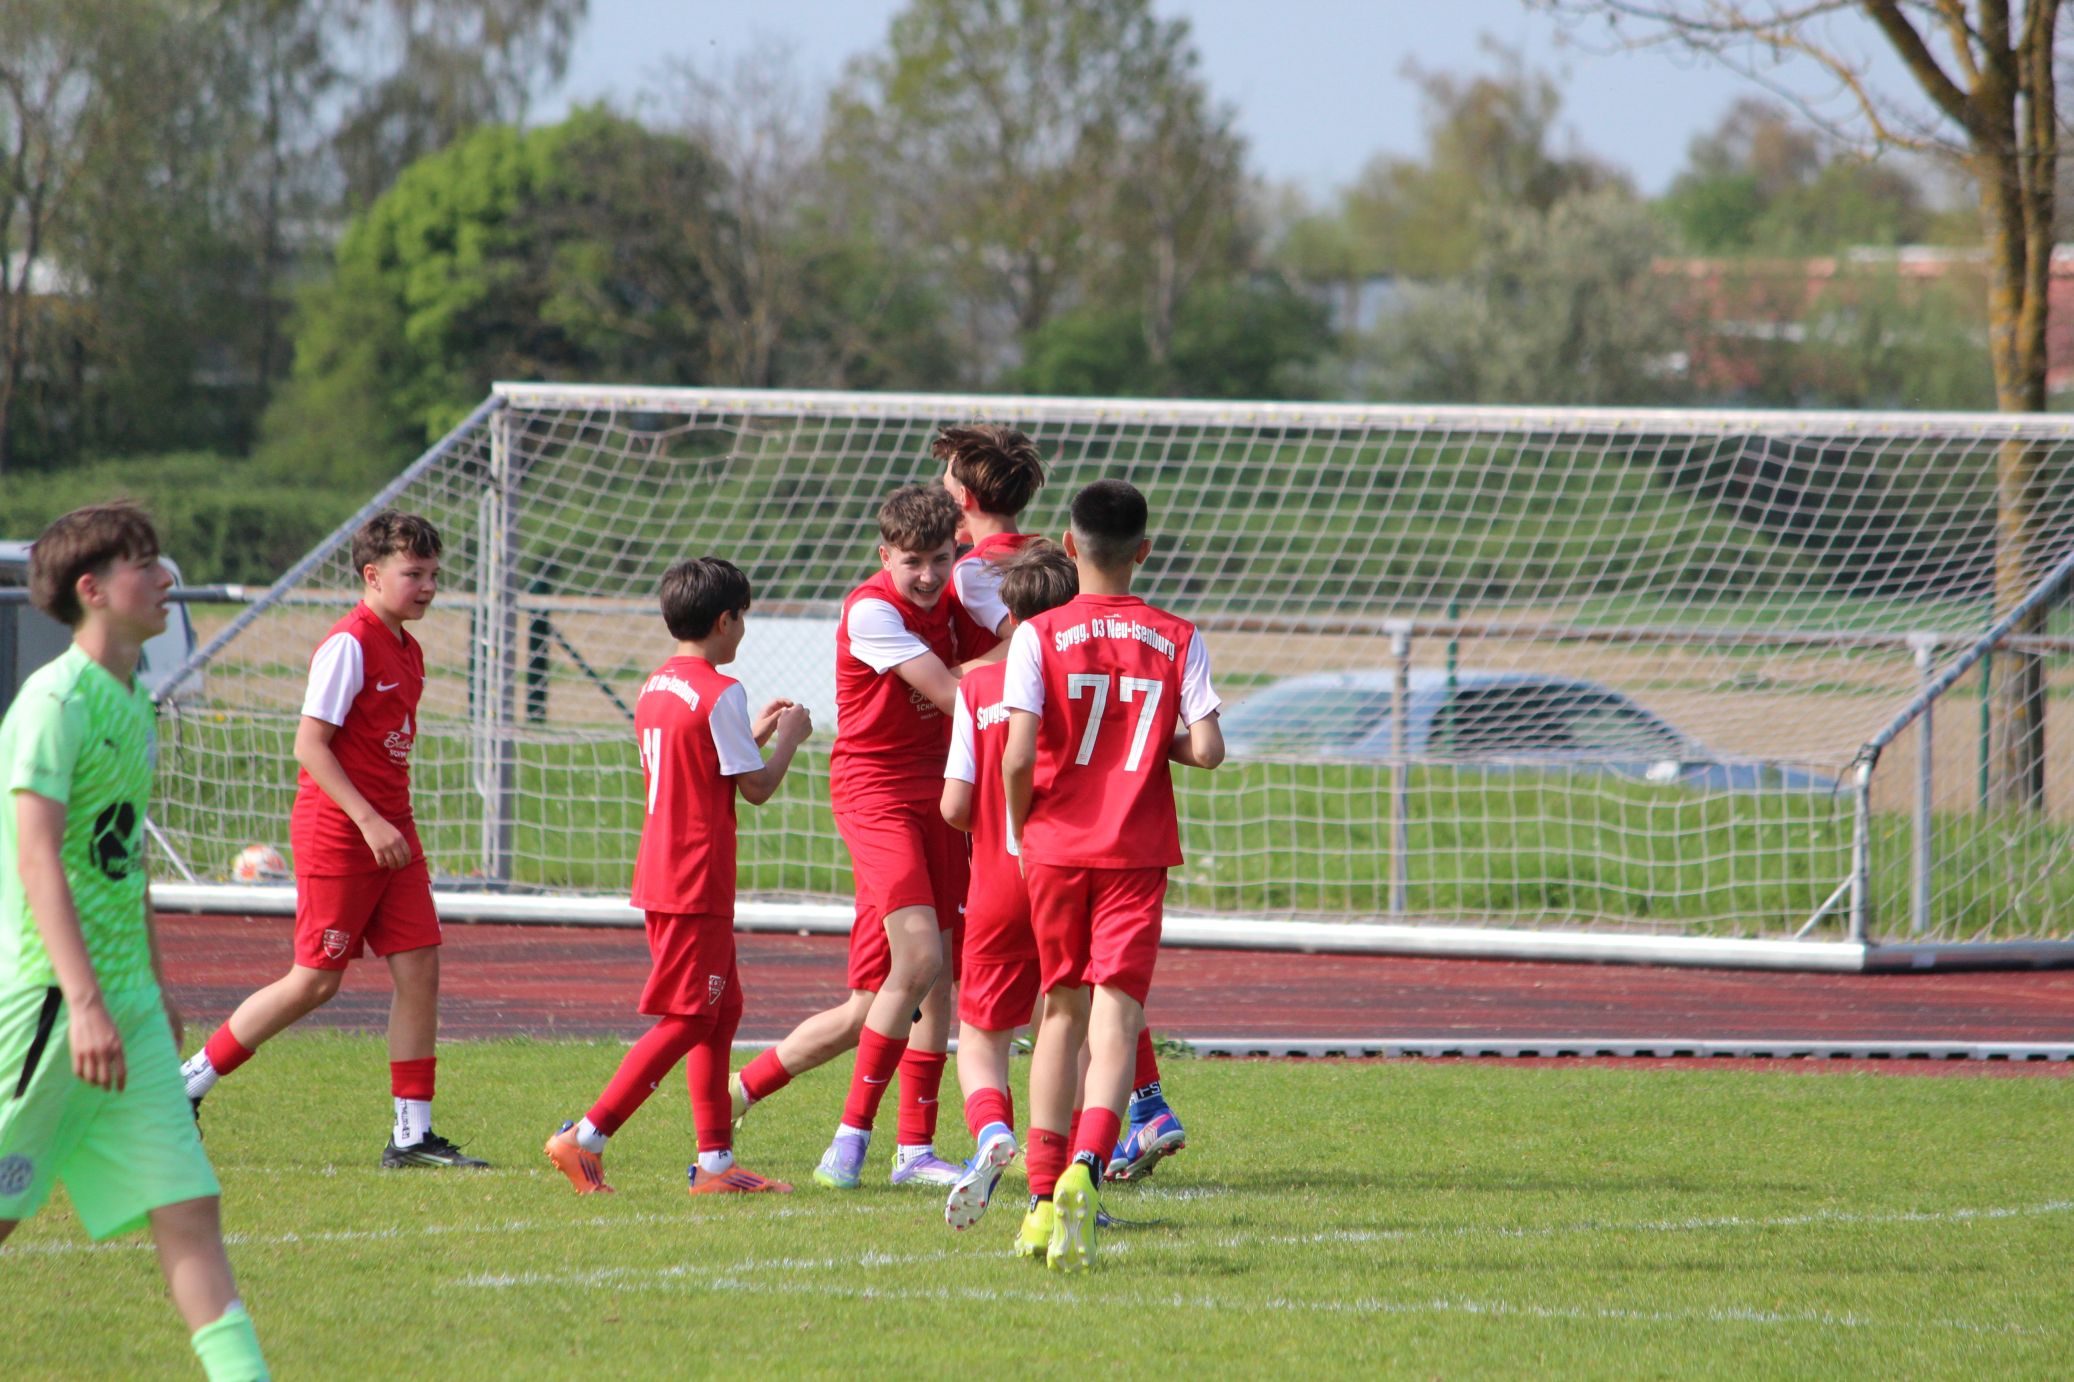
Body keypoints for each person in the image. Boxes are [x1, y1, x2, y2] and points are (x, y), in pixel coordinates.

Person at [0, 503, 270, 1380]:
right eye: (145, 564)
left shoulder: (133, 702)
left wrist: (154, 985)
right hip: (50, 1001)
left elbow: (123, 862)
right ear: (92, 589)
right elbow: (37, 857)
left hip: (130, 1010)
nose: (165, 579)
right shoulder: (54, 702)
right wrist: (84, 1002)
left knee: (188, 1209)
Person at [181, 511, 487, 1169]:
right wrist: (369, 821)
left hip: (391, 831)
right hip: (344, 832)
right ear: (372, 575)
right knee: (315, 982)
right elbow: (310, 746)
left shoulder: (408, 648)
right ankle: (187, 1083)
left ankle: (411, 1136)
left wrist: (387, 822)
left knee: (420, 968)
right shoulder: (349, 643)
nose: (429, 587)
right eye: (414, 574)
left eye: (434, 574)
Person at [940, 540, 1194, 1235]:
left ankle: (994, 1133)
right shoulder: (1092, 669)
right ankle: (1081, 1171)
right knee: (1085, 1029)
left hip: (1006, 875)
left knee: (984, 1034)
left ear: (1010, 613)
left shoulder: (979, 689)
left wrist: (1000, 822)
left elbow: (956, 806)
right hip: (1089, 864)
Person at [1002, 479, 1224, 1271]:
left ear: (1069, 547)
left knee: (1058, 1014)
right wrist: (1152, 740)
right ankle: (1087, 1169)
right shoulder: (1177, 635)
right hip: (1134, 850)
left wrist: (1019, 825)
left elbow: (1019, 753)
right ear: (1144, 551)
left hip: (1055, 847)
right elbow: (1209, 750)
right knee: (1116, 1019)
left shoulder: (1038, 634)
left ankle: (1039, 1197)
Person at [729, 484, 972, 1189]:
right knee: (921, 959)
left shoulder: (956, 595)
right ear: (884, 556)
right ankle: (851, 1143)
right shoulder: (871, 610)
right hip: (878, 795)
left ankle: (742, 1094)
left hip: (940, 794)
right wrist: (1027, 653)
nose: (928, 575)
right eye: (913, 561)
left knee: (889, 995)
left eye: (941, 559)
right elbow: (954, 693)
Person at [544, 557, 812, 1196]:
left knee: (722, 1010)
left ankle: (715, 1163)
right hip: (697, 873)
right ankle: (586, 1136)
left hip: (664, 866)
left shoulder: (657, 683)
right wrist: (789, 739)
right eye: (742, 618)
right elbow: (755, 789)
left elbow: (701, 759)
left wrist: (752, 733)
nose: (743, 630)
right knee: (691, 1017)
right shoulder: (722, 691)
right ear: (725, 621)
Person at [939, 423, 1047, 659]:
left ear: (963, 496)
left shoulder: (974, 568)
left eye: (947, 491)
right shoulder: (1046, 556)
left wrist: (950, 677)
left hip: (998, 684)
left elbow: (1027, 640)